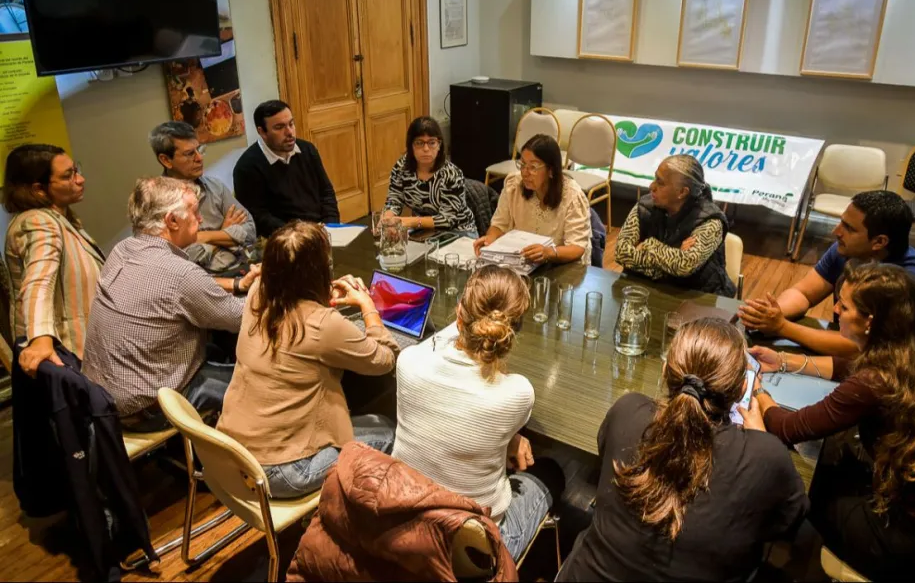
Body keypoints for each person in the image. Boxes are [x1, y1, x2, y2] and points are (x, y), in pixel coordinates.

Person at [739, 263, 915, 580]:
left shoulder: (876, 380)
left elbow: (787, 428)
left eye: (844, 306)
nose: (835, 309)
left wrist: (756, 388)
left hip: (907, 539)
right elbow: (849, 366)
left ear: (870, 320)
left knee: (795, 481)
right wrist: (784, 361)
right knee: (828, 455)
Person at [558, 318, 808, 582]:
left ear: (665, 370)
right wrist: (760, 440)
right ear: (741, 389)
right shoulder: (765, 457)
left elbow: (603, 455)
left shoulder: (628, 410)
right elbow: (790, 519)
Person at [391, 265, 564, 561]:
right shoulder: (518, 393)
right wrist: (510, 440)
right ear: (512, 333)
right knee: (552, 472)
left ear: (459, 315)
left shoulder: (408, 362)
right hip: (474, 552)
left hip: (406, 526)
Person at [217, 221, 398, 499]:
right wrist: (367, 306)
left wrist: (320, 296)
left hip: (231, 453)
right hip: (283, 471)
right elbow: (385, 358)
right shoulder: (323, 324)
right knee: (387, 431)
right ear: (321, 269)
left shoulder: (257, 293)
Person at [82, 177, 258, 432]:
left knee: (215, 350)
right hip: (149, 408)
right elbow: (241, 318)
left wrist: (237, 284)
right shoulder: (180, 274)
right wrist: (267, 287)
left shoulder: (123, 249)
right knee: (263, 382)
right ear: (172, 221)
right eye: (195, 212)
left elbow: (177, 288)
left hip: (105, 399)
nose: (201, 220)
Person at [738, 190, 915, 356]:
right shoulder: (847, 250)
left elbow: (860, 347)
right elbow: (804, 293)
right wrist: (770, 314)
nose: (836, 231)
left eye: (849, 228)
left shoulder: (908, 281)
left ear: (879, 241)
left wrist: (782, 327)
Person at [3, 144, 105, 376]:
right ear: (38, 189)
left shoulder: (61, 219)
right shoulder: (38, 222)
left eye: (76, 170)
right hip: (67, 355)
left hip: (81, 353)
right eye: (68, 176)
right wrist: (40, 339)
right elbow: (39, 281)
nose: (80, 180)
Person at [614, 154, 736, 297]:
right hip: (648, 290)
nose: (651, 186)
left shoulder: (711, 221)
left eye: (660, 183)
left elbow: (684, 265)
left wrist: (648, 245)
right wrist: (673, 257)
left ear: (682, 192)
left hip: (696, 298)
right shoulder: (645, 206)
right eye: (655, 178)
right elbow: (621, 253)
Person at [149, 121, 256, 275]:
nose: (199, 158)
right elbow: (181, 260)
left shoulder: (215, 186)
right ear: (166, 160)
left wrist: (204, 237)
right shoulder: (157, 204)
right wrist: (225, 233)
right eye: (189, 154)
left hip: (242, 264)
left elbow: (250, 231)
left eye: (199, 149)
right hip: (202, 279)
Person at [473, 134, 591, 265]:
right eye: (522, 164)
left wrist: (548, 252)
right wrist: (490, 238)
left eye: (533, 167)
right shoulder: (514, 185)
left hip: (560, 264)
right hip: (523, 262)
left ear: (551, 170)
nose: (525, 172)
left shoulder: (572, 196)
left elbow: (577, 247)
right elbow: (499, 224)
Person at [233, 100, 340, 237]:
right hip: (284, 237)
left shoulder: (307, 149)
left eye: (291, 124)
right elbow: (258, 217)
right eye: (279, 127)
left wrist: (331, 226)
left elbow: (326, 193)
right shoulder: (247, 167)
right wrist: (300, 234)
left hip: (321, 230)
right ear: (262, 132)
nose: (289, 132)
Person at [382, 116, 477, 237]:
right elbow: (394, 199)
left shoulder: (451, 174)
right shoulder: (401, 167)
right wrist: (388, 218)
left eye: (432, 142)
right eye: (419, 143)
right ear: (411, 146)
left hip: (458, 231)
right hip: (423, 230)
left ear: (439, 145)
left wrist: (410, 222)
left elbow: (448, 219)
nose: (426, 149)